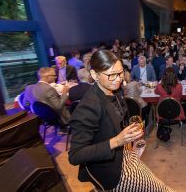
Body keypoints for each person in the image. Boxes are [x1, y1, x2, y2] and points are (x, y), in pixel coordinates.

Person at [68, 50, 173, 191]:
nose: (118, 79)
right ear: (94, 75)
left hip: (126, 153)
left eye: (120, 73)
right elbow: (75, 155)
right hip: (110, 168)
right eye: (112, 75)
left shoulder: (116, 90)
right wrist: (117, 141)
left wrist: (130, 136)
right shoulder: (88, 107)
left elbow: (115, 121)